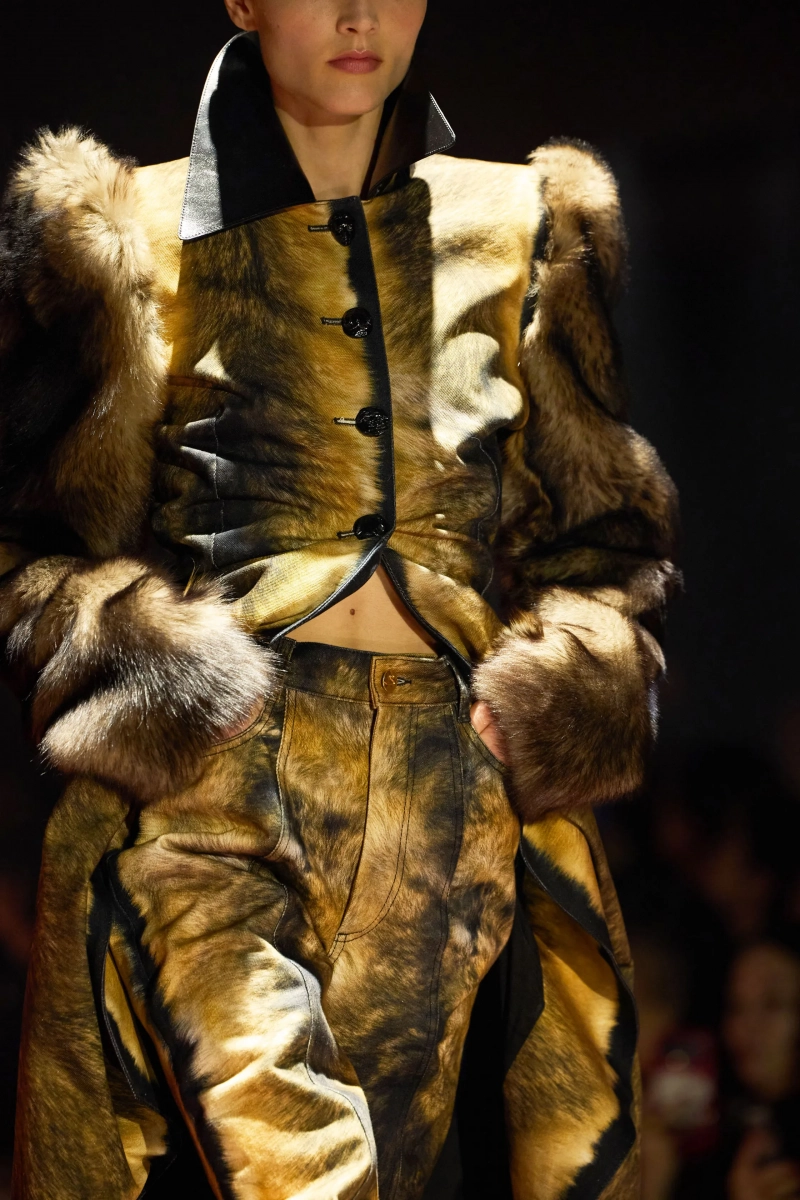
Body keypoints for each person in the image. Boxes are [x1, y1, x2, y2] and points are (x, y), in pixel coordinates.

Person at [0, 1, 678, 1197]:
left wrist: (563, 688)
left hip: (445, 803)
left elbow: (602, 531)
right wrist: (151, 681)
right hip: (221, 788)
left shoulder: (520, 225)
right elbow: (35, 548)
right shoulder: (126, 234)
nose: (360, 15)